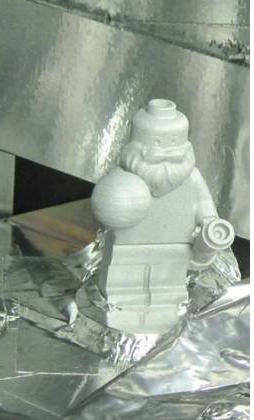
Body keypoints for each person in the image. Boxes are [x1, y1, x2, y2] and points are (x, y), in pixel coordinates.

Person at [90, 99, 234, 333]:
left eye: (174, 142)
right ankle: (119, 330)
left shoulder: (191, 178)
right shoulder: (125, 180)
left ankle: (161, 338)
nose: (165, 151)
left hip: (174, 250)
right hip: (128, 247)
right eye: (157, 142)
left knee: (168, 294)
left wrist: (209, 222)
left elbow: (204, 203)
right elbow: (108, 202)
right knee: (121, 290)